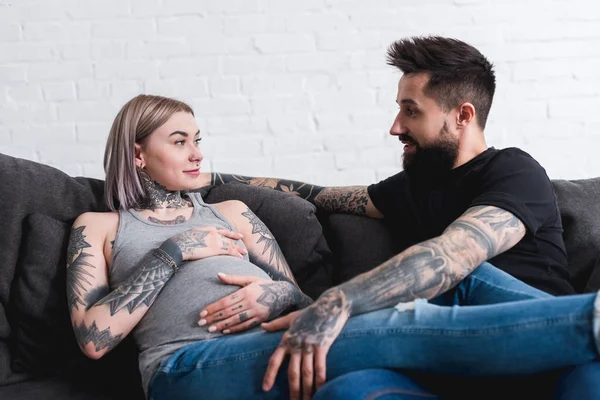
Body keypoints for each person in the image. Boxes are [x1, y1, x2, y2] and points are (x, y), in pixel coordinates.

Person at [67, 97, 600, 400]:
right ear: (138, 155)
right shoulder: (99, 227)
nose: (195, 152)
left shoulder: (232, 212)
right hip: (183, 367)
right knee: (394, 324)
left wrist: (274, 298)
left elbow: (301, 304)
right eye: (178, 141)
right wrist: (174, 251)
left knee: (364, 388)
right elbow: (94, 340)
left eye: (198, 139)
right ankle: (589, 320)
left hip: (277, 348)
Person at [200, 36, 600, 399]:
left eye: (411, 111)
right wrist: (211, 179)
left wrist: (337, 301)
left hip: (545, 343)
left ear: (463, 115)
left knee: (467, 277)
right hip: (454, 360)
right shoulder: (410, 188)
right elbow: (319, 195)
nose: (396, 127)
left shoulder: (513, 170)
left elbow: (454, 255)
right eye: (398, 110)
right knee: (348, 392)